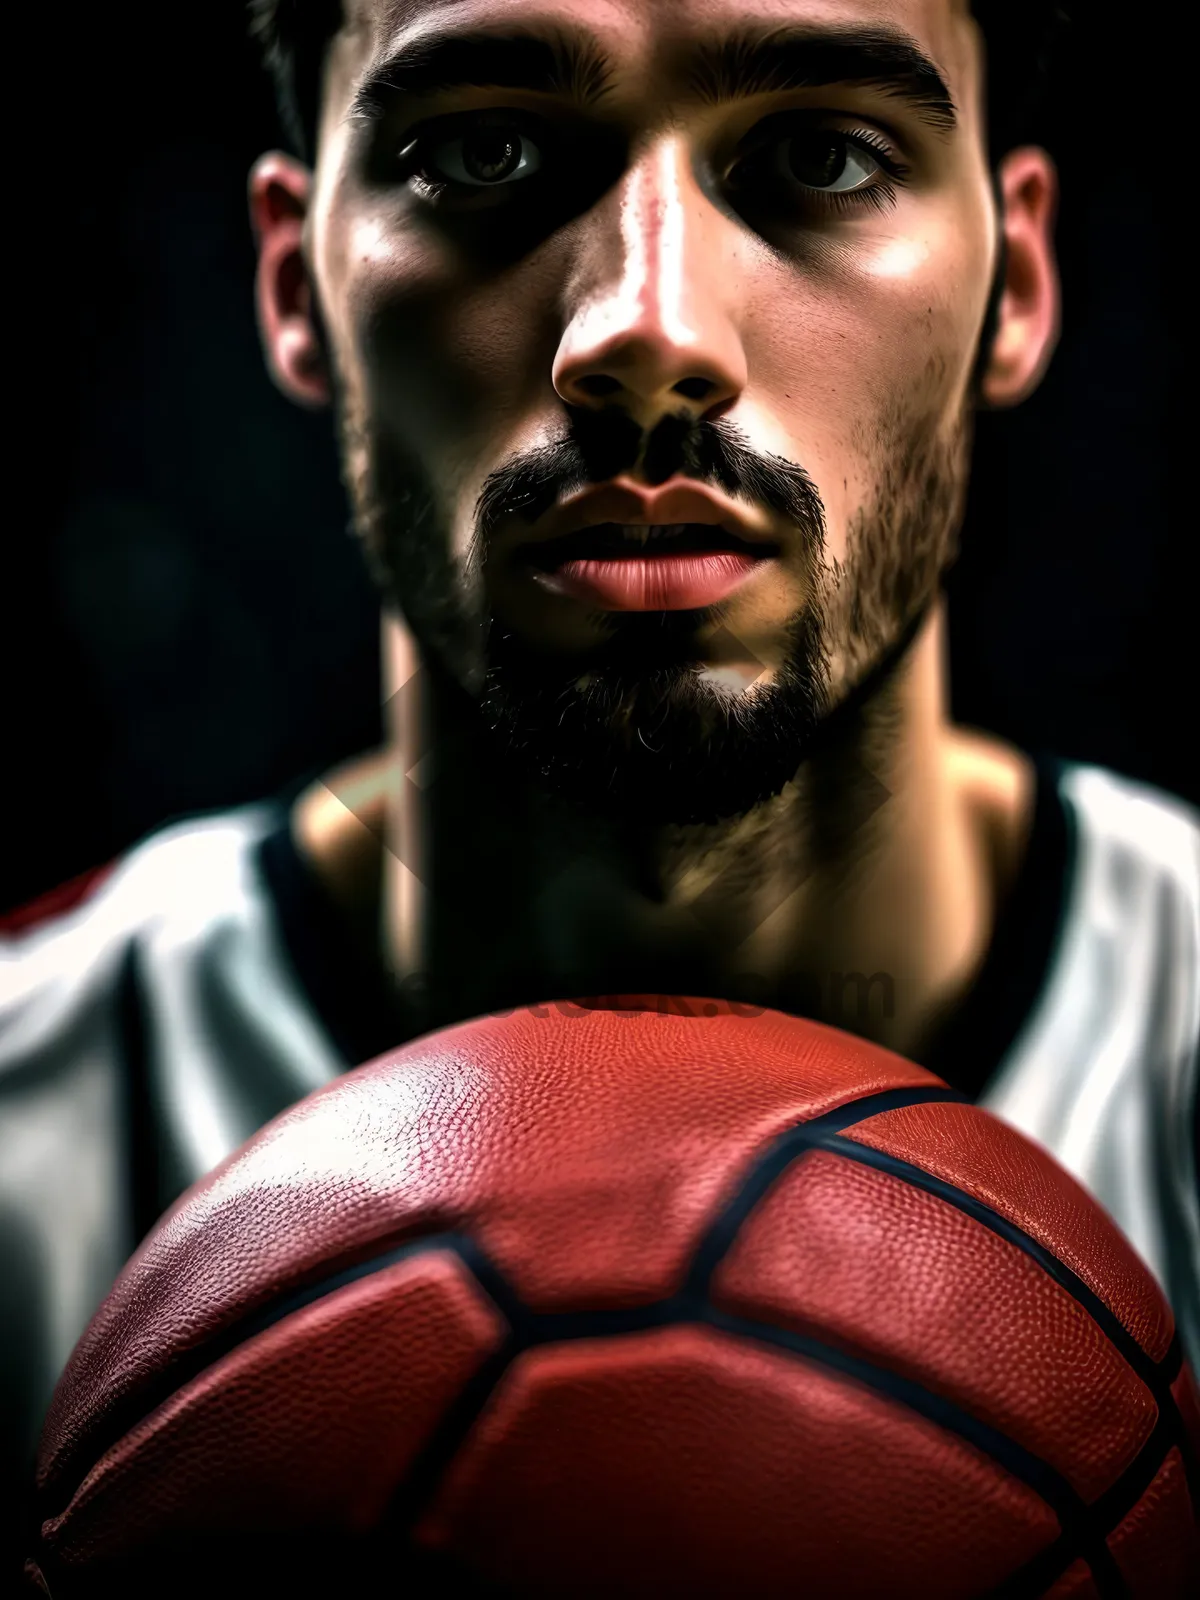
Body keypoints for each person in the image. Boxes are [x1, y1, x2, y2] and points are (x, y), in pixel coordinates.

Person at [3, 0, 1197, 1551]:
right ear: (296, 282)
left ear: (1018, 281)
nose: (647, 335)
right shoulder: (32, 1149)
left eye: (822, 157)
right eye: (484, 152)